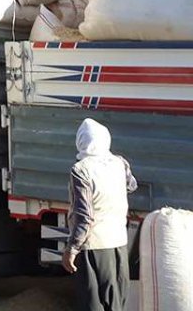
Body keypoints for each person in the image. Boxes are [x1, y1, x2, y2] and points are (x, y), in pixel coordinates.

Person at [63, 118, 137, 311]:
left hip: (92, 247)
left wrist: (71, 249)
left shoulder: (81, 170)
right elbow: (132, 186)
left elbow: (85, 217)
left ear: (81, 141)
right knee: (116, 303)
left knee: (92, 305)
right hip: (119, 243)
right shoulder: (120, 163)